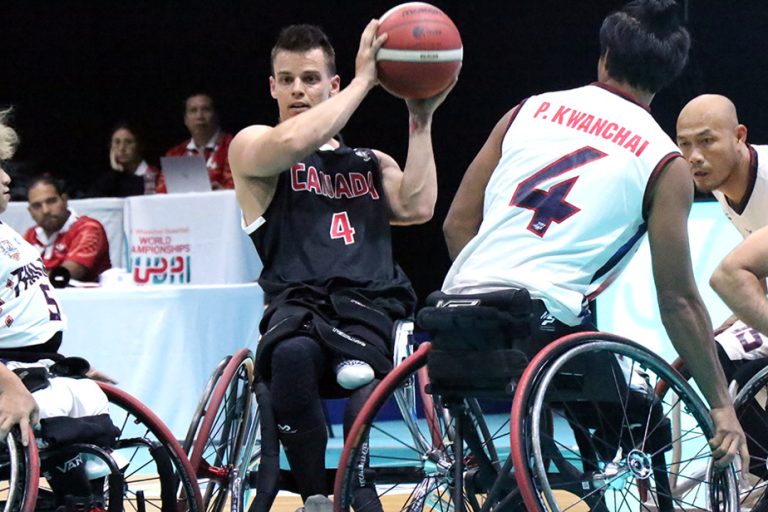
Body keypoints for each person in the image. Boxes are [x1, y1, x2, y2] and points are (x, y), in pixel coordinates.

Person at [441, 0, 747, 472]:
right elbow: (678, 301)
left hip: (454, 317)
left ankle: (534, 472)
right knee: (645, 427)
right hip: (542, 329)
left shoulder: (527, 110)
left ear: (605, 56)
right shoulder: (665, 162)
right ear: (668, 76)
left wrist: (483, 290)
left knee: (575, 434)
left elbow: (456, 223)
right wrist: (721, 406)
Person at [228, 22, 453, 510]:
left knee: (362, 381)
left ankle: (361, 489)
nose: (297, 90)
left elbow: (418, 207)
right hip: (296, 305)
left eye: (309, 79)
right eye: (285, 79)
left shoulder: (370, 161)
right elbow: (294, 143)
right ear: (271, 87)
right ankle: (313, 494)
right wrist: (363, 82)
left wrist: (420, 117)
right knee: (288, 358)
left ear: (330, 85)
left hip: (367, 305)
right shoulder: (253, 146)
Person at [0, 109, 117, 508]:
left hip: (31, 367)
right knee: (51, 407)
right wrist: (8, 385)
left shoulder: (9, 234)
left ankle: (87, 501)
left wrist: (56, 363)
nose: (5, 179)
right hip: (9, 377)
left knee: (87, 394)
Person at [24, 176, 112, 283]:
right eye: (37, 206)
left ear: (65, 200)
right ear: (30, 212)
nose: (45, 210)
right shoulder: (30, 235)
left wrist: (24, 279)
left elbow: (64, 275)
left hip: (86, 298)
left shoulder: (89, 228)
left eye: (51, 201)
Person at [159, 92, 233, 192]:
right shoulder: (174, 154)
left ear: (216, 115)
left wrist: (223, 193)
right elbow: (161, 192)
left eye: (206, 109)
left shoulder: (234, 147)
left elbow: (241, 189)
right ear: (185, 120)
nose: (199, 116)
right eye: (193, 111)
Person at [87, 122, 160, 198]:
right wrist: (115, 173)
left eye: (128, 142)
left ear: (140, 146)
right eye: (117, 142)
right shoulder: (106, 177)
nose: (122, 148)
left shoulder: (153, 175)